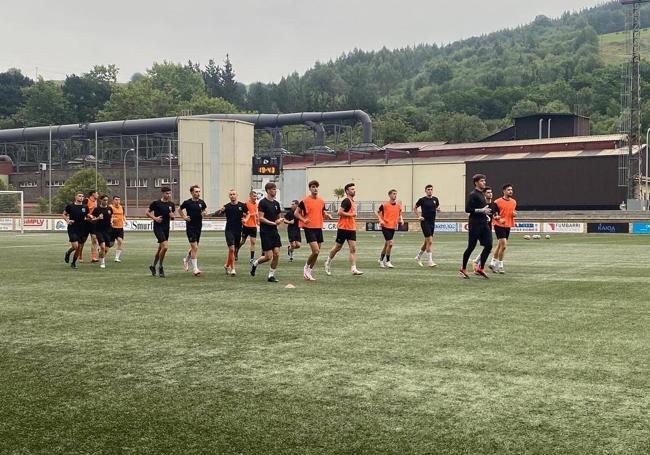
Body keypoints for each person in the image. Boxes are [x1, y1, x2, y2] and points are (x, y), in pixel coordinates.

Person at [294, 180, 332, 281]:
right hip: (309, 228)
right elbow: (296, 213)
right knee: (315, 251)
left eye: (316, 187)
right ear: (310, 188)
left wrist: (327, 215)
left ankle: (309, 271)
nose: (315, 189)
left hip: (318, 228)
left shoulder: (321, 201)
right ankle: (306, 267)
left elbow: (322, 212)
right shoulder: (304, 201)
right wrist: (303, 219)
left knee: (317, 252)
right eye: (313, 187)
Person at [324, 183, 363, 276]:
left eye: (354, 189)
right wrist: (351, 215)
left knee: (353, 248)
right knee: (338, 247)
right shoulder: (346, 201)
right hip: (343, 228)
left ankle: (354, 269)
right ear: (347, 191)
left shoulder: (353, 201)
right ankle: (328, 261)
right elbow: (339, 212)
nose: (354, 190)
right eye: (352, 189)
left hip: (351, 228)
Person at [250, 182, 284, 282]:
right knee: (268, 257)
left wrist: (281, 221)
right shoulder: (263, 203)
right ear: (268, 190)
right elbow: (261, 218)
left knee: (277, 254)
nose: (275, 191)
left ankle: (271, 275)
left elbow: (278, 218)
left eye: (275, 189)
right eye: (273, 189)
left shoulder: (277, 204)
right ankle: (255, 263)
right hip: (265, 232)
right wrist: (274, 223)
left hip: (274, 231)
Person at [460, 174, 492, 279]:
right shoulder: (473, 194)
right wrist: (482, 210)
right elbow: (468, 209)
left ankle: (481, 267)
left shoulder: (482, 194)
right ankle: (463, 268)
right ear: (476, 182)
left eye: (484, 181)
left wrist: (486, 213)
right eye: (482, 181)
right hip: (475, 224)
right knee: (471, 247)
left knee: (489, 245)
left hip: (483, 224)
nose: (484, 182)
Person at [214, 189, 248, 276]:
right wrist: (220, 210)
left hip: (238, 230)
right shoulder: (227, 206)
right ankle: (233, 269)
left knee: (233, 250)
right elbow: (217, 214)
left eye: (234, 194)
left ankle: (226, 265)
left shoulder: (242, 205)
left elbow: (249, 213)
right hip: (229, 230)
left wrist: (245, 219)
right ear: (229, 196)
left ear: (237, 195)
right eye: (231, 194)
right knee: (232, 249)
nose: (232, 196)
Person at [146, 186, 175, 278]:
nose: (169, 195)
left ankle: (153, 266)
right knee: (165, 247)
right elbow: (147, 212)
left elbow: (173, 217)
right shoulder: (156, 203)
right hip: (158, 228)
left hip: (166, 228)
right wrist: (155, 218)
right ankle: (161, 267)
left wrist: (172, 215)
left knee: (160, 249)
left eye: (170, 193)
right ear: (163, 193)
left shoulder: (171, 204)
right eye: (167, 193)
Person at [179, 185, 207, 276]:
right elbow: (180, 209)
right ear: (191, 192)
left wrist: (204, 213)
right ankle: (195, 269)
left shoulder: (202, 202)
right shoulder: (187, 202)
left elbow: (204, 210)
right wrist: (184, 217)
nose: (198, 193)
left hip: (199, 226)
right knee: (195, 247)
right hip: (190, 227)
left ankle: (186, 259)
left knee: (194, 247)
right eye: (196, 192)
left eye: (199, 191)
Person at [491, 183, 517, 273]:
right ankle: (500, 265)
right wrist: (499, 219)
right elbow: (494, 214)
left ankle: (492, 263)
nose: (511, 191)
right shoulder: (497, 202)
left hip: (507, 225)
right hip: (499, 225)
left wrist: (514, 214)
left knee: (500, 246)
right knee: (504, 246)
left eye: (511, 190)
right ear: (504, 191)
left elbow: (512, 212)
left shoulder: (514, 202)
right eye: (509, 190)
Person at [413, 184, 441, 267]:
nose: (430, 191)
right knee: (430, 241)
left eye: (431, 189)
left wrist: (438, 209)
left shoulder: (435, 199)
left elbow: (437, 207)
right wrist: (419, 216)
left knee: (426, 242)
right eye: (428, 189)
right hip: (425, 222)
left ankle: (418, 257)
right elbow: (414, 208)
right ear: (425, 191)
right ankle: (430, 261)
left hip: (432, 222)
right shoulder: (422, 200)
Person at [376, 189, 403, 269]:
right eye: (394, 194)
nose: (395, 195)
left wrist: (401, 219)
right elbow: (377, 212)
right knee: (390, 243)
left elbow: (400, 213)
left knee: (387, 244)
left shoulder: (398, 205)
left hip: (393, 227)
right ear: (390, 195)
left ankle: (381, 260)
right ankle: (387, 261)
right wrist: (380, 220)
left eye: (396, 194)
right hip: (385, 226)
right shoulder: (384, 205)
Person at [62, 192, 89, 269]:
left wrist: (90, 217)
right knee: (75, 246)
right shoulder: (70, 206)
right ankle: (68, 252)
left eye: (82, 196)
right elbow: (64, 214)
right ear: (75, 197)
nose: (81, 197)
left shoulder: (85, 207)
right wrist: (68, 221)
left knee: (79, 247)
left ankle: (73, 263)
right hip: (72, 228)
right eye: (79, 196)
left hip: (82, 229)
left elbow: (87, 216)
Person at [473, 186, 496, 271]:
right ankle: (478, 265)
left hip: (488, 228)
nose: (490, 194)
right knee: (487, 247)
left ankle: (477, 262)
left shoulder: (494, 204)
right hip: (480, 228)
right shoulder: (481, 205)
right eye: (488, 192)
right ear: (484, 194)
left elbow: (494, 215)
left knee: (488, 248)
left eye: (491, 192)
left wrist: (498, 218)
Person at [90, 195, 113, 269]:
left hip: (108, 230)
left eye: (107, 200)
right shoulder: (96, 209)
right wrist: (98, 218)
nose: (106, 201)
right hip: (99, 230)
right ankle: (102, 263)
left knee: (106, 249)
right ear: (101, 200)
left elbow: (111, 217)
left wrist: (112, 222)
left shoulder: (109, 209)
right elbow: (92, 221)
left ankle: (101, 254)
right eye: (104, 200)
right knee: (102, 247)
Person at [240, 191, 259, 264]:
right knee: (242, 241)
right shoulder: (246, 204)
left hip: (253, 226)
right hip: (246, 226)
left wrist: (258, 221)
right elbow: (243, 213)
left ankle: (251, 258)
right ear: (250, 196)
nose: (255, 197)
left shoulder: (256, 204)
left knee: (253, 242)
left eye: (256, 196)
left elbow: (256, 214)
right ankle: (237, 250)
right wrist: (250, 215)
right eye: (254, 196)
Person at [110, 196, 126, 262]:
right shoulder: (110, 207)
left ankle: (116, 258)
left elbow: (123, 215)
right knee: (111, 244)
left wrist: (125, 220)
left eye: (119, 200)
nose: (117, 201)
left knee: (120, 241)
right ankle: (102, 249)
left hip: (120, 227)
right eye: (116, 200)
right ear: (113, 200)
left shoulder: (122, 207)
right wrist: (111, 219)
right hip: (112, 228)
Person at [86, 190, 99, 263]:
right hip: (85, 222)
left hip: (93, 223)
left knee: (94, 239)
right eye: (97, 193)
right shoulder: (86, 200)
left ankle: (94, 257)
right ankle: (79, 255)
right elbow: (83, 209)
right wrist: (88, 215)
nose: (98, 194)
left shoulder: (96, 202)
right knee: (82, 241)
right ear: (93, 194)